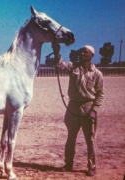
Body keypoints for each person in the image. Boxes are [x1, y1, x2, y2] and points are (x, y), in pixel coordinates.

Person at [52, 38, 104, 176]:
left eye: (85, 53)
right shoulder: (73, 67)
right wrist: (57, 52)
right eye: (81, 52)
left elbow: (100, 95)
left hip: (88, 108)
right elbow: (60, 66)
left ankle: (91, 166)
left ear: (91, 56)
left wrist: (94, 110)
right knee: (71, 138)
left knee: (90, 139)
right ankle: (68, 164)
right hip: (73, 107)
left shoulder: (97, 74)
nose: (81, 54)